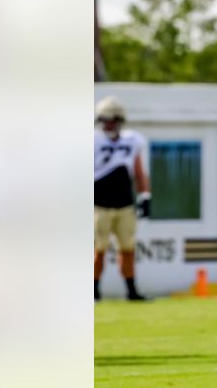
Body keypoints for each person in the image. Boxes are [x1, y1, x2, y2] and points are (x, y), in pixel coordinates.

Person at [94, 96, 151, 302]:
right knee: (97, 249)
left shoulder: (132, 140)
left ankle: (131, 290)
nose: (109, 124)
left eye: (113, 119)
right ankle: (93, 291)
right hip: (99, 204)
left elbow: (139, 172)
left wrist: (145, 195)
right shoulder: (93, 140)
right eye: (106, 120)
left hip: (125, 205)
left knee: (128, 249)